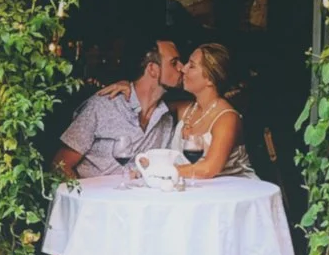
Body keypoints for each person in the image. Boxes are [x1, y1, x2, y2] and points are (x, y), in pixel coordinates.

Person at [52, 30, 181, 181]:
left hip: (137, 203)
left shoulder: (166, 119)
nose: (182, 68)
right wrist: (85, 198)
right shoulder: (102, 106)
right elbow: (59, 165)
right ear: (152, 69)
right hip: (95, 200)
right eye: (174, 63)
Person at [172, 43, 254, 179]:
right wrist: (126, 86)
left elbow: (209, 168)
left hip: (232, 192)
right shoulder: (184, 109)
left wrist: (164, 171)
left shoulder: (227, 118)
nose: (183, 69)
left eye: (191, 66)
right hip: (194, 188)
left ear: (210, 79)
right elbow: (148, 101)